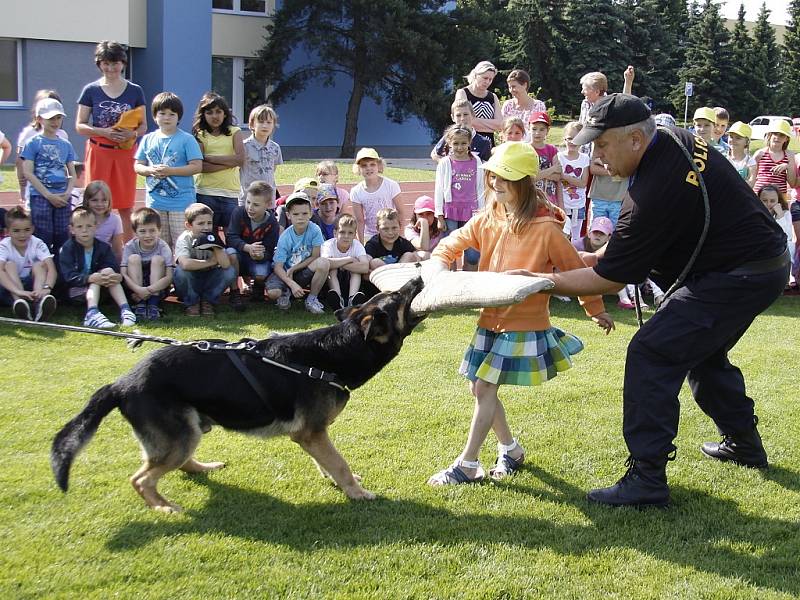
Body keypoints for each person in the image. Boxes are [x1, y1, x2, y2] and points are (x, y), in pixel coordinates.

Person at [525, 94, 789, 508]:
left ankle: (647, 478)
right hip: (758, 263)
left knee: (652, 351)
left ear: (634, 139)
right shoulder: (669, 138)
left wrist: (540, 282)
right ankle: (744, 444)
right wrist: (585, 260)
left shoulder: (652, 189)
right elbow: (619, 254)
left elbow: (609, 277)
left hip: (738, 273)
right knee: (703, 354)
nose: (597, 155)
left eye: (603, 144)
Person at [427, 141, 613, 486]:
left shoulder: (546, 228)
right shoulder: (490, 217)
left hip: (522, 323)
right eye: (494, 176)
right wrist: (437, 263)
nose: (496, 183)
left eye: (505, 178)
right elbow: (454, 241)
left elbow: (575, 270)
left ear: (525, 183)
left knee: (483, 388)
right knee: (478, 388)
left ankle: (467, 465)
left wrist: (595, 308)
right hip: (490, 318)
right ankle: (510, 450)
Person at [76, 41, 147, 241]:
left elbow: (143, 126)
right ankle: (91, 245)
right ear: (99, 64)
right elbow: (80, 125)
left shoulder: (135, 90)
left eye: (115, 63)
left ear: (123, 63)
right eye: (106, 63)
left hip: (125, 153)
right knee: (94, 203)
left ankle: (127, 252)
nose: (110, 68)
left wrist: (131, 135)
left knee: (125, 206)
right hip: (99, 151)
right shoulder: (90, 90)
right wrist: (104, 132)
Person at [134, 92, 204, 249]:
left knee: (183, 243)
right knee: (160, 245)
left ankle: (182, 272)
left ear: (178, 117)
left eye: (172, 114)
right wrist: (150, 170)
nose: (167, 118)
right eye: (162, 113)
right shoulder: (148, 139)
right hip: (155, 201)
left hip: (181, 202)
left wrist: (170, 170)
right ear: (154, 116)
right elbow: (138, 165)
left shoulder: (187, 139)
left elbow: (196, 166)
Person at [59, 207, 136, 329]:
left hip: (101, 289)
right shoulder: (67, 249)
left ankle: (126, 310)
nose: (85, 230)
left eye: (89, 226)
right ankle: (92, 313)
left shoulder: (103, 247)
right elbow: (68, 277)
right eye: (79, 227)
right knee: (95, 279)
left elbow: (112, 267)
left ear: (96, 227)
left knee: (108, 272)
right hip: (76, 291)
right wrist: (89, 278)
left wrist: (116, 276)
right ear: (72, 230)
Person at [20, 98, 77, 254]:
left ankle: (61, 272)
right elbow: (28, 172)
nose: (55, 122)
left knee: (62, 236)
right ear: (39, 119)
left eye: (58, 118)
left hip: (62, 197)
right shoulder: (32, 143)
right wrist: (47, 194)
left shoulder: (66, 144)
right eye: (51, 118)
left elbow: (72, 173)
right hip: (40, 196)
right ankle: (42, 271)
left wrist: (68, 193)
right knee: (42, 235)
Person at [265, 191, 328, 313]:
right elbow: (278, 267)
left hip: (301, 271)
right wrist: (291, 283)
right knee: (273, 293)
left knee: (323, 263)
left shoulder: (315, 229)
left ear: (310, 214)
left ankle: (311, 299)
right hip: (284, 272)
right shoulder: (285, 237)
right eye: (296, 214)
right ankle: (285, 292)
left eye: (305, 213)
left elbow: (315, 256)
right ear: (288, 216)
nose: (300, 217)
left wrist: (294, 269)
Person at [434, 125, 485, 270]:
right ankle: (450, 281)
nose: (460, 147)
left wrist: (482, 212)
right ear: (449, 143)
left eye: (463, 143)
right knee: (450, 251)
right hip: (450, 212)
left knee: (473, 256)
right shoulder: (445, 163)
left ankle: (467, 282)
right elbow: (438, 189)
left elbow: (481, 187)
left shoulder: (476, 161)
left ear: (469, 143)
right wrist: (439, 215)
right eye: (455, 143)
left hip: (471, 212)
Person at [192, 92, 245, 233]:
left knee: (232, 234)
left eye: (218, 112)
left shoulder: (235, 132)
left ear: (225, 113)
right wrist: (229, 162)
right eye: (209, 112)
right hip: (205, 192)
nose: (214, 116)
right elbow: (200, 166)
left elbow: (240, 159)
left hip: (230, 193)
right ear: (203, 115)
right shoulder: (200, 134)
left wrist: (211, 158)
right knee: (209, 235)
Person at [173, 203, 235, 317]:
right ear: (189, 225)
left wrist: (216, 246)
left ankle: (208, 301)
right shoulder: (184, 239)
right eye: (201, 223)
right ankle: (192, 302)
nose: (206, 227)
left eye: (209, 223)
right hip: (191, 278)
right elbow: (185, 264)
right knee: (180, 271)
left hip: (208, 278)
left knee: (230, 271)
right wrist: (210, 262)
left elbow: (225, 265)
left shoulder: (212, 237)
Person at [0, 206, 57, 321]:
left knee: (40, 265)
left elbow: (51, 268)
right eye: (16, 231)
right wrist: (18, 291)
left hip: (34, 285)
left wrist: (47, 288)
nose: (22, 235)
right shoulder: (4, 245)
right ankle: (20, 303)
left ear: (32, 229)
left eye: (26, 230)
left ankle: (40, 302)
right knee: (9, 265)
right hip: (10, 288)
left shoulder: (37, 243)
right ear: (7, 232)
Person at [225, 181, 279, 304]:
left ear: (268, 204)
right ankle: (234, 292)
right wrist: (247, 247)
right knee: (230, 253)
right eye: (248, 202)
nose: (250, 207)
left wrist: (261, 256)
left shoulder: (272, 223)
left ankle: (258, 288)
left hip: (256, 258)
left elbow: (270, 250)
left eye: (256, 205)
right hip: (238, 255)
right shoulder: (239, 213)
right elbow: (231, 238)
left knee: (262, 272)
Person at [120, 207, 174, 321]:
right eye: (142, 231)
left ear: (159, 230)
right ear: (135, 232)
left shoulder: (163, 246)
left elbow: (169, 277)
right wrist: (138, 290)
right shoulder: (130, 246)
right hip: (136, 289)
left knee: (158, 259)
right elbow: (123, 274)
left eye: (152, 230)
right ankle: (140, 304)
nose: (148, 235)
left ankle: (153, 304)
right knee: (133, 259)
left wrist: (149, 290)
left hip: (157, 288)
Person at [16, 90, 70, 203]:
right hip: (36, 191)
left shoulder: (62, 135)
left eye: (57, 116)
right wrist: (22, 186)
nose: (54, 119)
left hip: (58, 189)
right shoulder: (30, 134)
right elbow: (20, 161)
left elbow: (66, 165)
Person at [350, 148, 402, 243]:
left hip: (390, 232)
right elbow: (360, 221)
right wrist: (362, 245)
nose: (368, 168)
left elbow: (401, 212)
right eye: (364, 165)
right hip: (370, 236)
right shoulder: (356, 191)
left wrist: (399, 236)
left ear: (379, 165)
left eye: (372, 164)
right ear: (358, 168)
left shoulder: (391, 185)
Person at [320, 213, 370, 310]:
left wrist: (342, 265)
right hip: (333, 280)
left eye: (350, 233)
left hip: (350, 281)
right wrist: (349, 259)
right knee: (332, 269)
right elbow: (326, 263)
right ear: (335, 233)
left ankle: (352, 299)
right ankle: (338, 298)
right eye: (342, 232)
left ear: (354, 234)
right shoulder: (328, 245)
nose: (346, 236)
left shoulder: (357, 245)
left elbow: (365, 267)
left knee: (356, 270)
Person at [239, 104, 283, 206]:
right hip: (248, 199)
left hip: (268, 200)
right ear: (252, 124)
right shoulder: (244, 147)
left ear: (273, 125)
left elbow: (273, 169)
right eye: (261, 122)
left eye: (269, 122)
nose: (265, 125)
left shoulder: (275, 148)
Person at [454, 61, 503, 147]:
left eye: (490, 79)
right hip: (468, 142)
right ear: (476, 75)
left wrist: (475, 121)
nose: (487, 82)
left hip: (489, 143)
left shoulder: (493, 97)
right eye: (485, 78)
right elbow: (464, 120)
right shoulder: (463, 93)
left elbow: (500, 124)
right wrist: (491, 127)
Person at [557, 121, 591, 241]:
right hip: (562, 205)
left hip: (579, 205)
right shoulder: (559, 157)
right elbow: (557, 180)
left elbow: (583, 183)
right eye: (569, 138)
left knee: (576, 238)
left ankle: (576, 258)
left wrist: (564, 176)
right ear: (564, 139)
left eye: (577, 138)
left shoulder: (584, 158)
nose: (573, 142)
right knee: (562, 236)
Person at [758, 185, 795, 287]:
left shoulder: (785, 214)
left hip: (779, 246)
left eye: (772, 201)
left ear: (778, 201)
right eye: (764, 200)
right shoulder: (756, 214)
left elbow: (787, 235)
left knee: (790, 245)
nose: (768, 204)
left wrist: (780, 216)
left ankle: (785, 280)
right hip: (763, 246)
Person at [81, 180, 123, 261]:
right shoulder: (80, 219)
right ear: (87, 201)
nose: (99, 204)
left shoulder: (115, 220)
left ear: (109, 201)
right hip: (83, 260)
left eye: (104, 200)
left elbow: (117, 251)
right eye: (95, 200)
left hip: (103, 260)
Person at [501, 69, 546, 143]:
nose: (511, 90)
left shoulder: (539, 106)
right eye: (509, 87)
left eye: (514, 86)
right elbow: (503, 129)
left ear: (525, 85)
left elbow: (542, 129)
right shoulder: (507, 105)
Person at [753, 120, 798, 195]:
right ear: (769, 135)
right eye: (775, 134)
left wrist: (787, 166)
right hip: (760, 196)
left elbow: (792, 183)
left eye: (782, 135)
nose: (778, 137)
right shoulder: (759, 154)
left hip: (779, 197)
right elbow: (751, 177)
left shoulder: (789, 155)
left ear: (786, 138)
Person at [528, 112, 562, 209]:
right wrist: (552, 169)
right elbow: (531, 177)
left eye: (542, 129)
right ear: (529, 129)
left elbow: (558, 175)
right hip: (531, 197)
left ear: (547, 131)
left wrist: (540, 174)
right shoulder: (526, 149)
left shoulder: (552, 150)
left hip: (549, 198)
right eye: (534, 129)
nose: (537, 133)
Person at [726, 121, 756, 187]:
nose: (733, 140)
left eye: (738, 138)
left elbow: (751, 183)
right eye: (731, 137)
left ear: (746, 142)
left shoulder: (750, 162)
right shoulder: (724, 158)